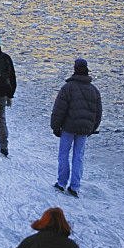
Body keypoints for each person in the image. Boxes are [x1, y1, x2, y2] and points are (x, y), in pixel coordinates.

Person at [50, 58, 101, 197]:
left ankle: (61, 183)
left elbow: (59, 109)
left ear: (75, 69)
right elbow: (98, 112)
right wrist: (92, 128)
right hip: (84, 129)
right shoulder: (93, 90)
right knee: (78, 156)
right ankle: (75, 186)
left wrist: (55, 126)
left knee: (63, 155)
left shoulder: (68, 88)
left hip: (68, 127)